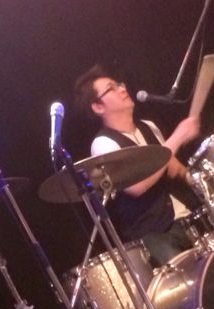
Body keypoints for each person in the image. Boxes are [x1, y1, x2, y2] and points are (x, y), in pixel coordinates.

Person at [73, 65, 201, 266]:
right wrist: (178, 137)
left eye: (119, 85)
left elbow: (173, 167)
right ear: (98, 107)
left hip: (187, 217)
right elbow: (136, 186)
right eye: (112, 88)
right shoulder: (104, 144)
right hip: (155, 235)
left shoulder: (148, 126)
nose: (122, 89)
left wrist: (204, 180)